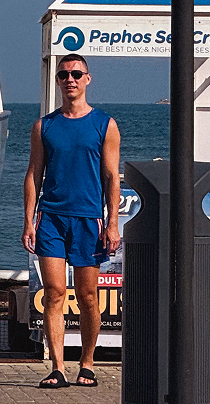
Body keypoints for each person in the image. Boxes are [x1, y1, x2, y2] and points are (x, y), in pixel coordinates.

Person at [22, 53, 121, 390]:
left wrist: (112, 223)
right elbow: (34, 174)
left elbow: (111, 177)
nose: (70, 80)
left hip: (87, 220)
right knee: (54, 292)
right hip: (51, 218)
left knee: (88, 295)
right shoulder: (44, 126)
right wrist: (29, 221)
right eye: (64, 75)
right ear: (58, 81)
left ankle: (88, 362)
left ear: (87, 79)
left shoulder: (104, 125)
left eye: (76, 74)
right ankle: (57, 367)